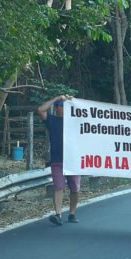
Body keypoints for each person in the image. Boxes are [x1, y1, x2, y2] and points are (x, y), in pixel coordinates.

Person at [37, 94, 80, 226]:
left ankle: (72, 213)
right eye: (58, 106)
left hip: (73, 160)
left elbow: (87, 115)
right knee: (58, 187)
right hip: (57, 160)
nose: (59, 108)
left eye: (61, 106)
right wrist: (56, 98)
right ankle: (58, 214)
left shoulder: (75, 121)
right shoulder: (52, 120)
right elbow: (40, 110)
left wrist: (73, 101)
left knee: (75, 188)